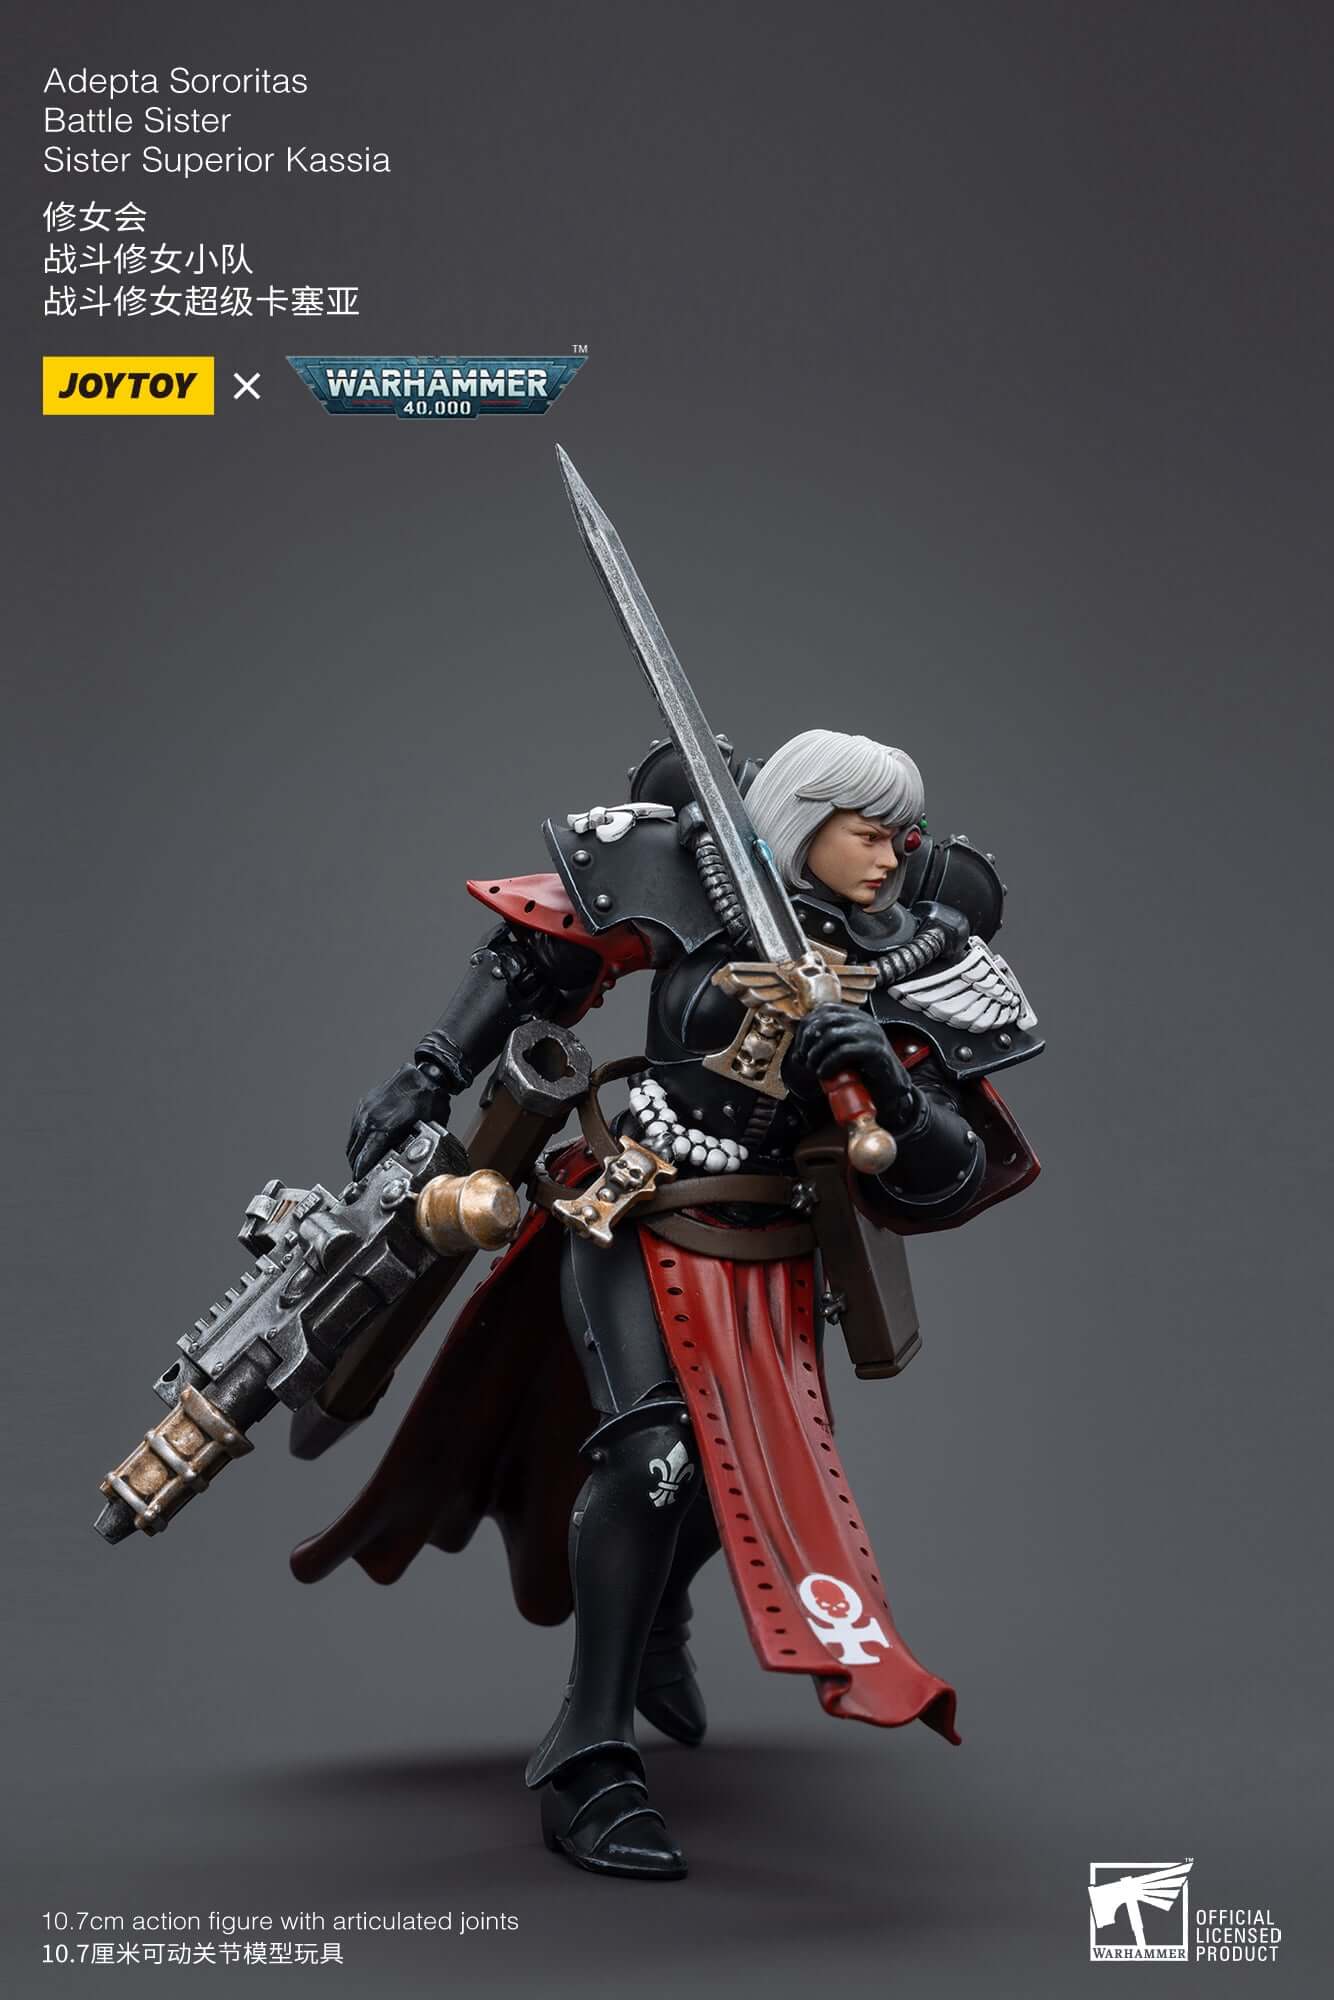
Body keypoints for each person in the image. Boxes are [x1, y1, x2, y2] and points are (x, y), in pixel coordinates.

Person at [294, 726, 1042, 1880]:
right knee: (657, 1452)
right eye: (865, 830)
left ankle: (654, 1623)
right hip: (631, 1204)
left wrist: (892, 1088)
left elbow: (949, 1173)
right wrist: (430, 1068)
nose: (889, 856)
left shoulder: (914, 954)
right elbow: (535, 958)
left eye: (904, 835)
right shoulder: (698, 875)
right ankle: (587, 1752)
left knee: (735, 1477)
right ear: (802, 820)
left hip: (773, 1242)